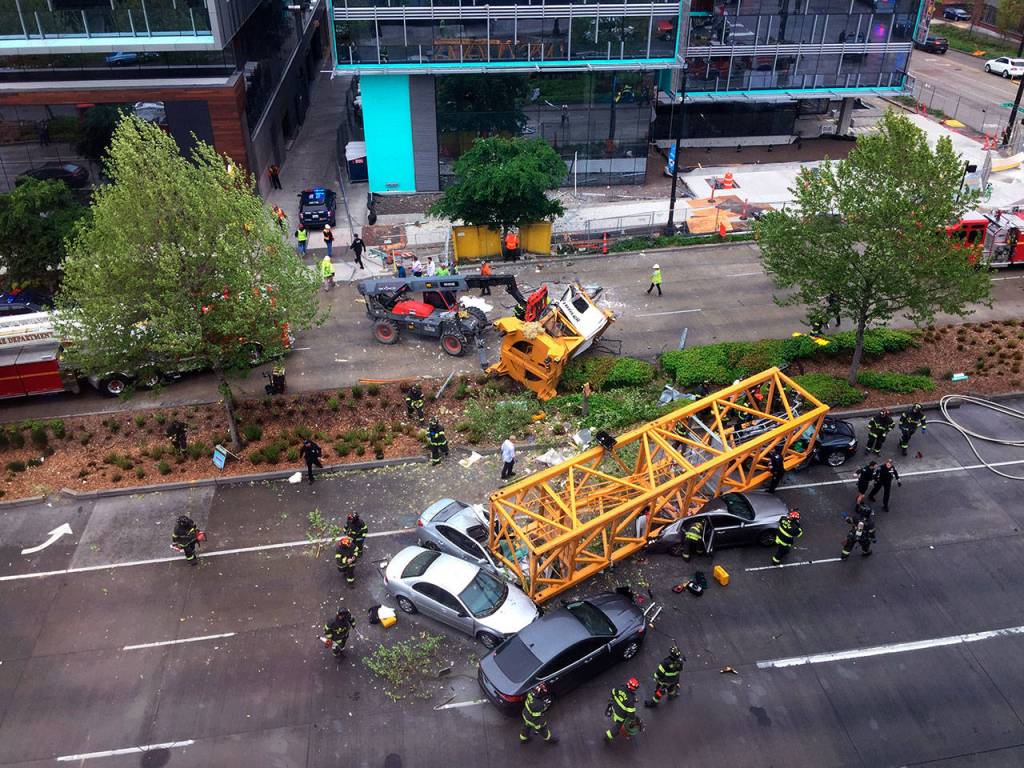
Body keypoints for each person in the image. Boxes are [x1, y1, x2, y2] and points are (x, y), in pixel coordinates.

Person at [605, 678, 642, 742]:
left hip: (614, 707)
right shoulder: (630, 701)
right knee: (617, 727)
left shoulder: (621, 687)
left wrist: (614, 699)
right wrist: (632, 720)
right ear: (634, 688)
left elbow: (613, 692)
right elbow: (631, 714)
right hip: (620, 716)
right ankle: (607, 736)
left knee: (615, 712)